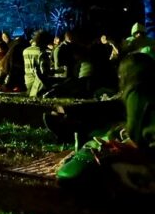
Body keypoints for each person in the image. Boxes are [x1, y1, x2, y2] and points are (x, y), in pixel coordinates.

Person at [57, 53, 155, 193]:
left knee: (102, 160)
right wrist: (71, 110)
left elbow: (137, 138)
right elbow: (115, 107)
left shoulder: (138, 91)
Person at [23, 30, 55, 97]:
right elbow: (44, 71)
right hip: (39, 82)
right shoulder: (42, 53)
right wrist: (55, 71)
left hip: (28, 80)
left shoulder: (25, 51)